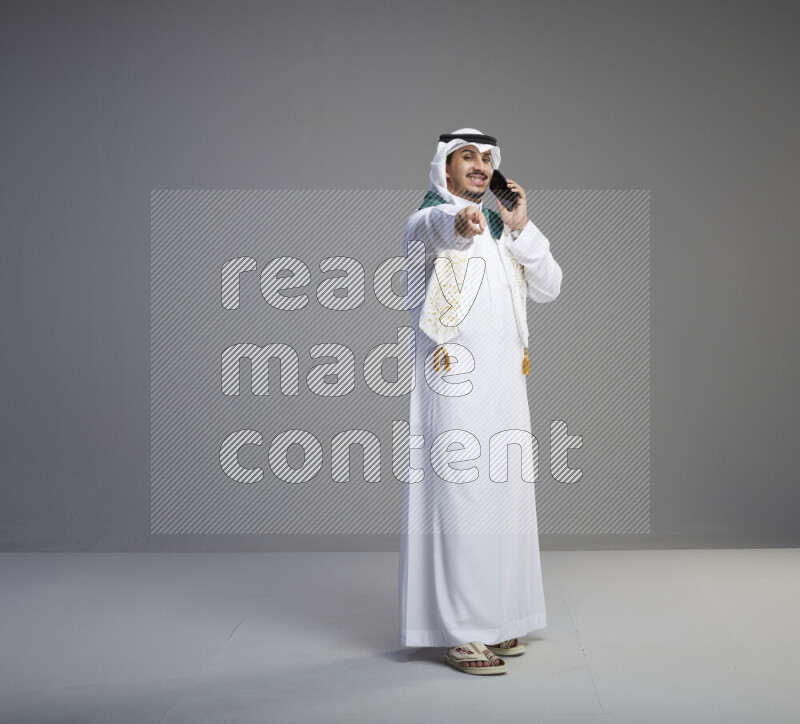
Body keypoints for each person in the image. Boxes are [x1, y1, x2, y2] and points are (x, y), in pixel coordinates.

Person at [396, 128, 563, 675]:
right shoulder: (429, 218)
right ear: (445, 167)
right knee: (461, 498)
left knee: (506, 499)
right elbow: (437, 230)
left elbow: (550, 286)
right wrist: (459, 221)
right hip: (454, 385)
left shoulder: (500, 228)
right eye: (467, 157)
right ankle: (463, 631)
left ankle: (498, 619)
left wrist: (521, 226)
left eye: (487, 159)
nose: (480, 166)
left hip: (506, 385)